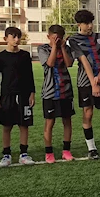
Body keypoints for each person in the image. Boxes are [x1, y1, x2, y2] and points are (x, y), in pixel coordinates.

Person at [67, 10, 100, 159]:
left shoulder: (99, 37)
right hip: (86, 83)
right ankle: (91, 149)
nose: (90, 26)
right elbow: (84, 62)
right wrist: (93, 84)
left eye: (91, 22)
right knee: (88, 114)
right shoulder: (73, 40)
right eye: (86, 23)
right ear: (79, 24)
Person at [0, 27, 35, 167]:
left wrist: (32, 93)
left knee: (24, 125)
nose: (16, 40)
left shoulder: (25, 55)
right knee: (7, 126)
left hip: (23, 95)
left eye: (18, 37)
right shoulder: (0, 57)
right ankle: (6, 155)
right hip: (7, 95)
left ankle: (24, 154)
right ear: (6, 39)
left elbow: (30, 75)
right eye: (13, 37)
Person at [38, 25, 75, 163]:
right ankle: (49, 152)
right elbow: (50, 63)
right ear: (48, 37)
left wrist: (63, 48)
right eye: (54, 38)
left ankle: (66, 150)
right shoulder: (42, 49)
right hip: (50, 92)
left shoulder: (66, 48)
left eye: (59, 38)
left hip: (66, 91)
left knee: (67, 121)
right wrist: (54, 46)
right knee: (50, 122)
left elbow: (69, 64)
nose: (57, 40)